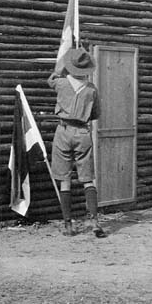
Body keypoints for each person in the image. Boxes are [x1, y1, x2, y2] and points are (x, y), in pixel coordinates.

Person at [47, 47, 105, 238]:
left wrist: (62, 66)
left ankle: (68, 225)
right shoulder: (91, 89)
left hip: (63, 131)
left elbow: (51, 79)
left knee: (65, 179)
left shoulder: (61, 84)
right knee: (87, 178)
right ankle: (95, 221)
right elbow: (96, 114)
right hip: (82, 132)